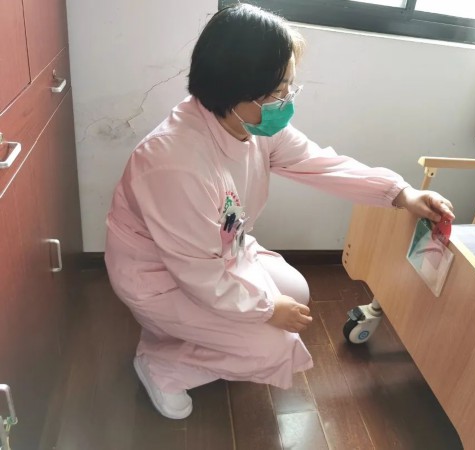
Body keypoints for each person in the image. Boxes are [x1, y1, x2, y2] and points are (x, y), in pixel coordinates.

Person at [104, 3, 455, 420]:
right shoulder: (175, 162)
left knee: (296, 294)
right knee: (276, 344)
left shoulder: (245, 124)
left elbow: (322, 163)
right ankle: (161, 365)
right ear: (236, 86)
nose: (285, 101)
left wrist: (400, 193)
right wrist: (268, 310)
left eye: (288, 87)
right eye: (277, 91)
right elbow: (198, 275)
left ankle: (184, 337)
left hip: (218, 256)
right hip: (162, 277)